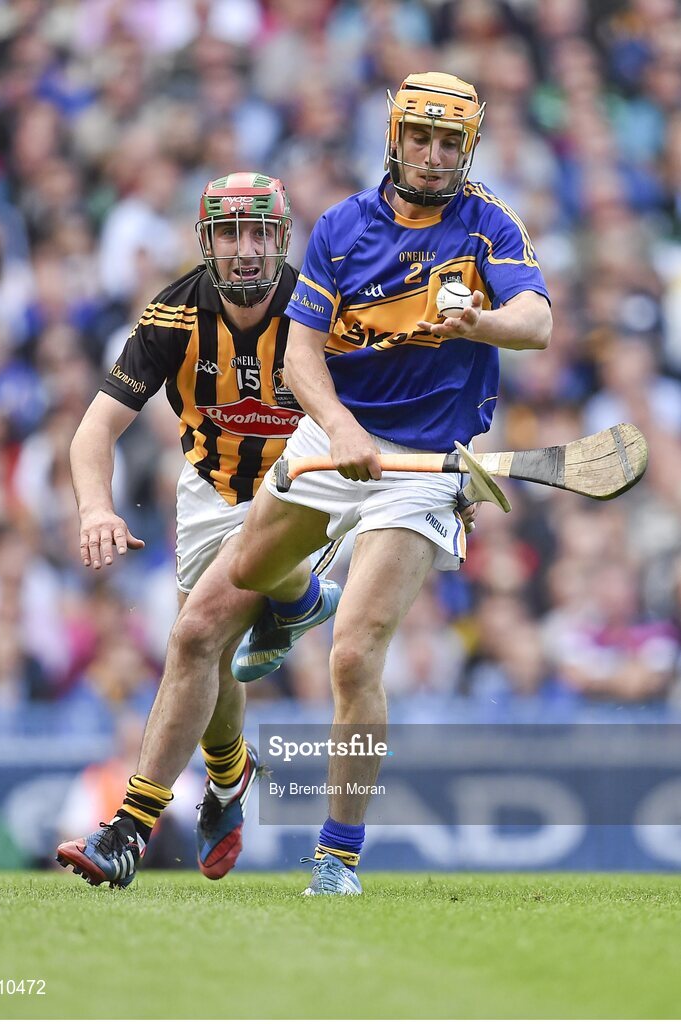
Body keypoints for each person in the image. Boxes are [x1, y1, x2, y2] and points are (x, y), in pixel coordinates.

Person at [227, 72, 552, 894]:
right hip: (334, 437)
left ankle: (336, 855)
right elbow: (299, 356)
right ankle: (299, 599)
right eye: (421, 138)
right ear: (394, 137)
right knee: (247, 574)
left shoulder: (487, 225)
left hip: (423, 467)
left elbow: (538, 323)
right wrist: (339, 431)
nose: (435, 156)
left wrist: (481, 322)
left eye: (451, 142)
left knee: (354, 655)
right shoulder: (341, 226)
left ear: (468, 148)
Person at [56, 173, 344, 887]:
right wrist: (96, 508)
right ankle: (228, 777)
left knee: (190, 635)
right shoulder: (171, 316)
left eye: (258, 234)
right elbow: (93, 433)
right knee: (210, 657)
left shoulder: (320, 312)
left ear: (280, 240)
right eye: (228, 233)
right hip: (210, 493)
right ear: (206, 241)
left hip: (301, 487)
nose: (244, 250)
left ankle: (129, 829)